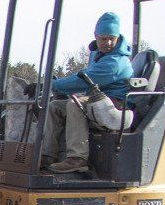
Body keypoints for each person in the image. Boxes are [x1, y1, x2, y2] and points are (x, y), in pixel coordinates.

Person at [44, 12, 135, 174]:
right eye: (103, 39)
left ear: (117, 37)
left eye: (111, 39)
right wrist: (54, 85)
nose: (108, 43)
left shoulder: (115, 62)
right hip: (97, 101)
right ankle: (47, 155)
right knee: (55, 106)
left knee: (75, 105)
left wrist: (50, 86)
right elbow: (82, 76)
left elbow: (83, 80)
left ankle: (77, 158)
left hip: (115, 105)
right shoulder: (99, 55)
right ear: (96, 36)